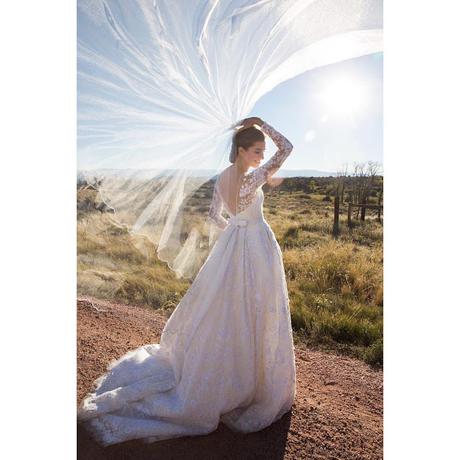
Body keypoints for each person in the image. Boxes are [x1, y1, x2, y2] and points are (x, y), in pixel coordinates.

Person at [77, 117, 297, 446]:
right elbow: (288, 148)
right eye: (256, 150)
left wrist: (234, 232)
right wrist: (261, 123)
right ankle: (252, 379)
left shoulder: (223, 178)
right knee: (255, 307)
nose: (261, 156)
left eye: (262, 151)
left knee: (226, 309)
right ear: (240, 150)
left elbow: (213, 216)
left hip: (233, 246)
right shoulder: (253, 179)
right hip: (257, 246)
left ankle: (236, 373)